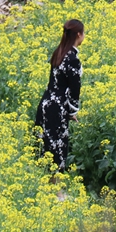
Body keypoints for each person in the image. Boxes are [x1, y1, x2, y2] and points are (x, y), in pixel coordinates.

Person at [35, 19, 85, 172]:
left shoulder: (59, 52)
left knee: (44, 147)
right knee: (57, 148)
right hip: (57, 108)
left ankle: (44, 185)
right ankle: (57, 191)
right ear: (78, 34)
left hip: (46, 104)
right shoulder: (72, 59)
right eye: (83, 33)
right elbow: (74, 89)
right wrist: (72, 111)